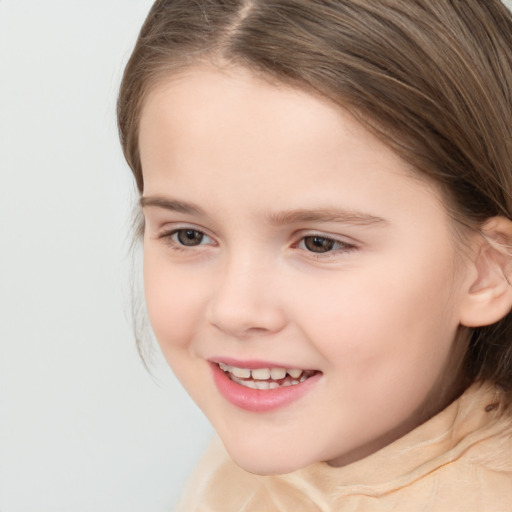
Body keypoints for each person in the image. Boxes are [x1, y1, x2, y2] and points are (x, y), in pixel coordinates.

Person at [117, 1, 512, 509]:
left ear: (488, 273)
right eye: (190, 236)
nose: (235, 310)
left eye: (319, 243)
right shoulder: (286, 454)